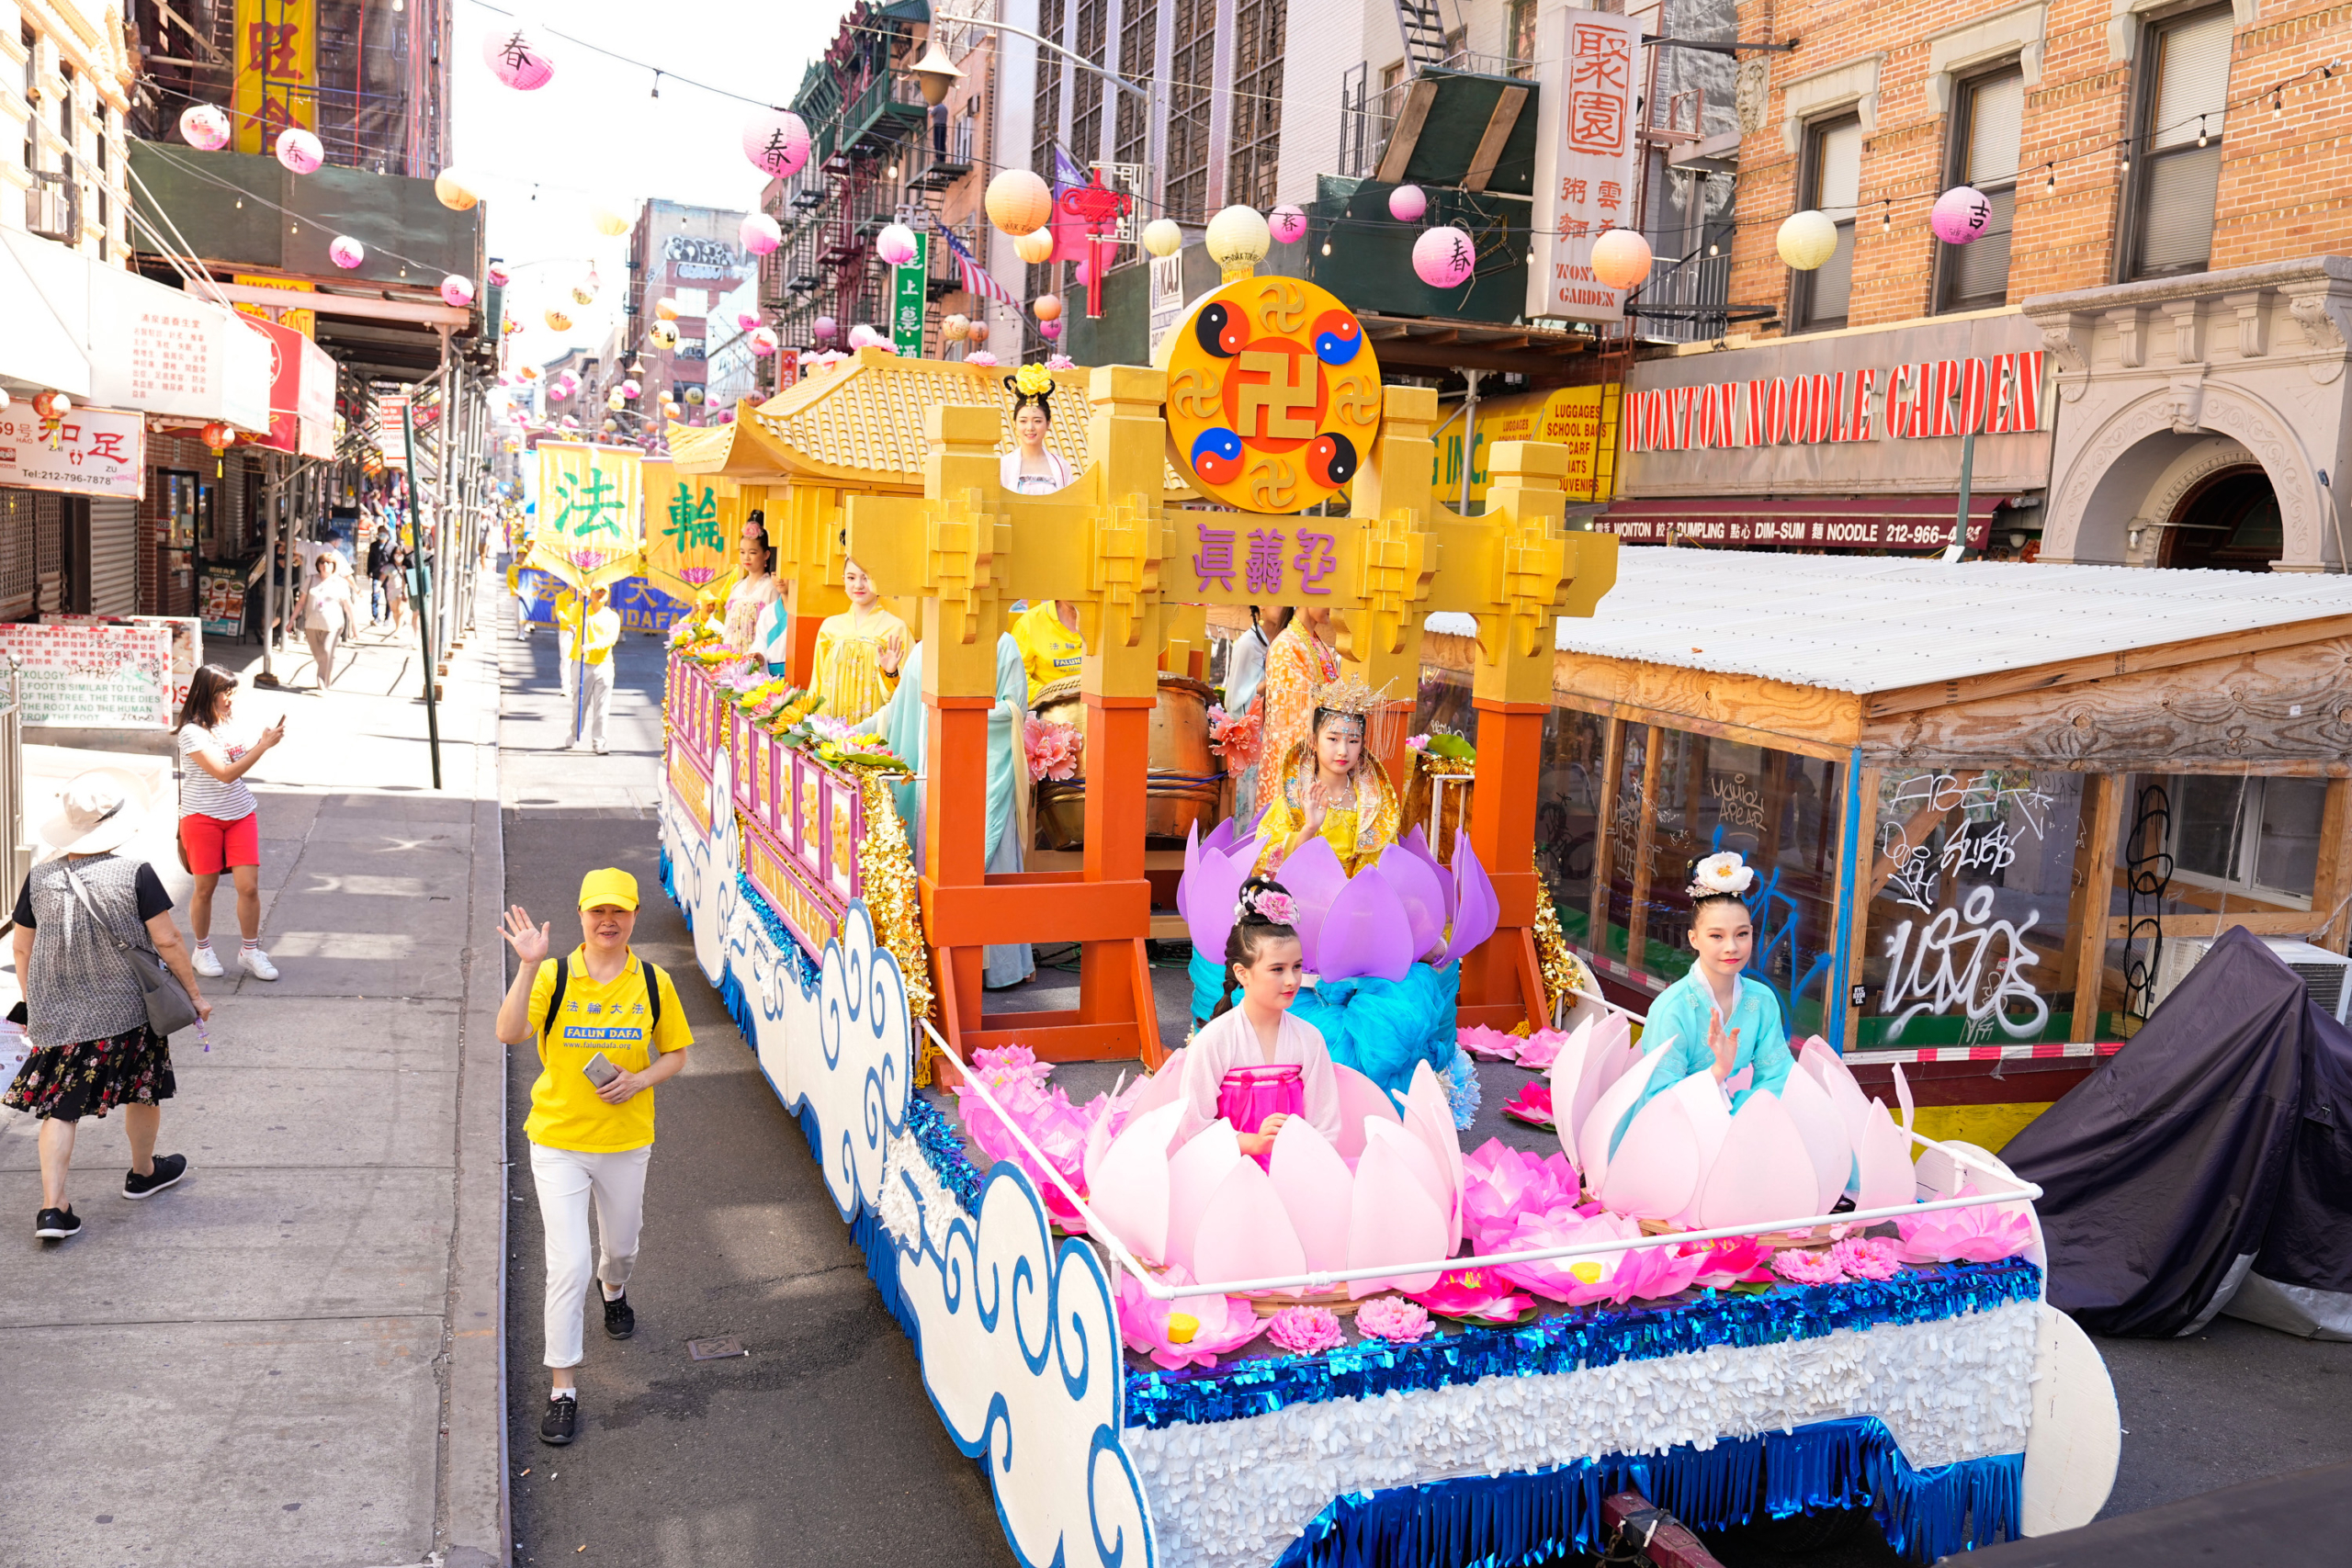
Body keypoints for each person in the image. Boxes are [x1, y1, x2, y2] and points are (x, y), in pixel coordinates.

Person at [495, 869, 692, 1447]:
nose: (609, 922)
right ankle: (563, 1388)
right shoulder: (553, 975)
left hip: (626, 1141)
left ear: (633, 916)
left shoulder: (653, 982)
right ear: (580, 915)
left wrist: (640, 1080)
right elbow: (508, 1034)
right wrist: (527, 963)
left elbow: (676, 1054)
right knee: (568, 1264)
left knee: (621, 1248)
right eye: (597, 911)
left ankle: (616, 1290)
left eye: (621, 911)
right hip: (557, 1142)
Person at [6, 769, 212, 1240]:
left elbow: (22, 948)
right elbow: (169, 941)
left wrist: (34, 1001)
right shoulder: (133, 872)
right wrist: (195, 997)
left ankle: (53, 1209)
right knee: (143, 1088)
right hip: (128, 1011)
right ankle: (143, 1173)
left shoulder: (39, 879)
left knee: (60, 1108)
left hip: (59, 1014)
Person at [860, 633, 1035, 987]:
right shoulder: (927, 647)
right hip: (934, 770)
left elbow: (1015, 708)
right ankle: (938, 961)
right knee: (934, 859)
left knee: (992, 861)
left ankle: (997, 968)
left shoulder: (1002, 644)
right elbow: (898, 714)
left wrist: (959, 712)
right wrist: (844, 735)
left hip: (985, 770)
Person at [1613, 852, 1793, 1153]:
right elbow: (1658, 1096)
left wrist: (1740, 1118)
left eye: (1742, 934)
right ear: (1694, 939)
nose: (1732, 947)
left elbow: (1778, 1078)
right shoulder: (1673, 1008)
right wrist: (1717, 1074)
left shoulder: (1762, 1002)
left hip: (1741, 1129)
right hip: (1671, 1137)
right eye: (1716, 936)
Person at [1180, 876, 1343, 1163]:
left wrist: (1301, 1155)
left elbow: (1326, 1123)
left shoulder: (1309, 1038)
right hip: (1227, 1173)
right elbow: (1193, 1125)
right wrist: (1253, 1143)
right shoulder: (1216, 1039)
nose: (1292, 980)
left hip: (1295, 1170)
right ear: (1243, 973)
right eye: (1277, 969)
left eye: (1296, 967)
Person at [175, 666, 284, 982]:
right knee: (204, 889)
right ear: (207, 694)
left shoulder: (227, 722)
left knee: (248, 887)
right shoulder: (191, 733)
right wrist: (263, 747)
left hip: (240, 813)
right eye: (226, 693)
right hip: (201, 817)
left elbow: (235, 767)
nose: (230, 700)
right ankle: (201, 949)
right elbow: (224, 773)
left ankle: (250, 951)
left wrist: (260, 743)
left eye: (232, 693)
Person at [1253, 676, 1402, 877]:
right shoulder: (1294, 799)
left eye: (1353, 741)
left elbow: (1387, 867)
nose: (1343, 751)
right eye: (1333, 739)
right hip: (1304, 897)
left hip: (1357, 900)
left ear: (1362, 745)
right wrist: (1309, 828)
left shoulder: (1374, 805)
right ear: (1313, 741)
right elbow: (1263, 861)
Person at [1257, 604, 1340, 808]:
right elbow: (1293, 709)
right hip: (1296, 755)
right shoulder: (1285, 645)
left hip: (1322, 750)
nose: (1335, 607)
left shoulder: (1319, 644)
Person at [808, 557, 910, 724]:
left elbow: (907, 691)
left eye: (866, 578)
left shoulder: (896, 628)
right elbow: (817, 680)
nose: (858, 585)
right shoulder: (830, 627)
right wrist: (810, 721)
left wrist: (890, 673)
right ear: (844, 581)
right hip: (831, 724)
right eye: (851, 578)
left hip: (874, 725)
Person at [1223, 606, 1288, 828]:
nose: (1285, 606)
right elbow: (1233, 702)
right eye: (1278, 601)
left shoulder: (1286, 641)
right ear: (1260, 604)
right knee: (1250, 800)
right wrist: (1267, 685)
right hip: (1254, 736)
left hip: (1279, 733)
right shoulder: (1247, 644)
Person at [556, 583, 623, 753]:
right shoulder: (583, 611)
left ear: (608, 595)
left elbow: (611, 639)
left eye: (603, 591)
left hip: (604, 664)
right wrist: (580, 599)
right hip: (582, 663)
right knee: (580, 704)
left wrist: (591, 646)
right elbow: (571, 620)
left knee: (602, 707)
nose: (600, 594)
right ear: (591, 593)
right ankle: (574, 733)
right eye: (596, 590)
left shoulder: (613, 616)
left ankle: (599, 742)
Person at [999, 364, 1075, 496]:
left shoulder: (1063, 467)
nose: (1030, 428)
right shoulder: (1003, 466)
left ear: (1048, 424)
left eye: (1037, 421)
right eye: (1023, 421)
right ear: (1015, 424)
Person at [720, 513, 781, 657]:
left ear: (766, 555)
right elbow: (728, 625)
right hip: (732, 657)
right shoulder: (737, 587)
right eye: (742, 552)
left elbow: (772, 628)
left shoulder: (770, 588)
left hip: (756, 657)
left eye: (752, 552)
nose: (746, 557)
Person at [299, 551, 356, 690]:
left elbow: (348, 605)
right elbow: (301, 602)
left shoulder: (340, 583)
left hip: (333, 624)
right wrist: (291, 620)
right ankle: (326, 675)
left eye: (328, 563)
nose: (325, 566)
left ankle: (322, 681)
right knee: (320, 654)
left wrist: (355, 626)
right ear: (318, 565)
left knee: (326, 650)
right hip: (312, 623)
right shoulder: (311, 579)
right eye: (322, 563)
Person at [1011, 597, 1083, 705]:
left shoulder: (1108, 618)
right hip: (1047, 706)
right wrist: (1050, 696)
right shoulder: (1029, 622)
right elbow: (1016, 677)